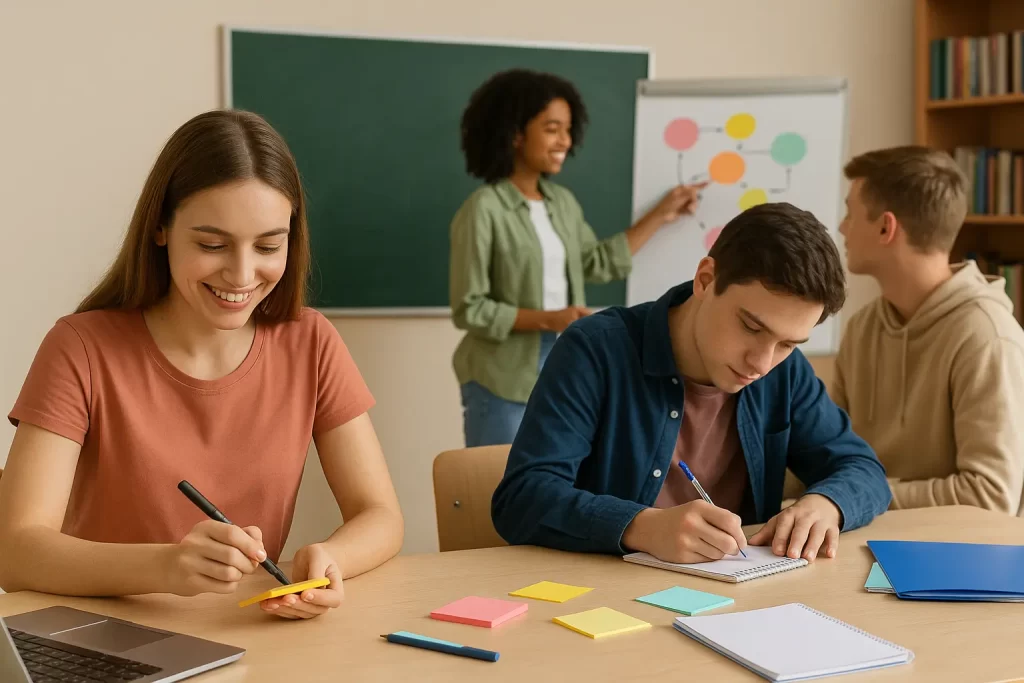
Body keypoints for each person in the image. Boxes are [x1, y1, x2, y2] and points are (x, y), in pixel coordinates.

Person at [0, 110, 405, 618]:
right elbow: (15, 552)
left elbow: (380, 515)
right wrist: (166, 568)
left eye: (267, 246)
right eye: (211, 244)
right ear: (161, 228)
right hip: (101, 633)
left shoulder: (311, 341)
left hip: (248, 629)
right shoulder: (79, 346)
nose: (241, 274)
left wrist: (330, 558)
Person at [491, 202, 892, 564]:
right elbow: (523, 497)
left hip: (742, 603)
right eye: (751, 326)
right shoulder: (595, 350)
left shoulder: (784, 369)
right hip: (607, 604)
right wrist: (640, 527)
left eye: (788, 343)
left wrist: (827, 504)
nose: (762, 362)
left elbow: (862, 468)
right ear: (705, 280)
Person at [450, 68, 706, 448]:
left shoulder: (562, 204)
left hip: (563, 364)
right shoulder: (483, 209)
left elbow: (597, 261)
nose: (565, 141)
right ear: (516, 133)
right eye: (552, 128)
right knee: (497, 489)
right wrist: (551, 319)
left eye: (568, 130)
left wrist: (661, 214)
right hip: (501, 377)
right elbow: (470, 308)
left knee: (554, 483)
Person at [835, 145, 1024, 515]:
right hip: (862, 544)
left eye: (849, 213)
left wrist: (857, 496)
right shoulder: (862, 328)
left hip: (955, 560)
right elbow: (827, 453)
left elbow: (990, 496)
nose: (841, 227)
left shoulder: (987, 336)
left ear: (886, 227)